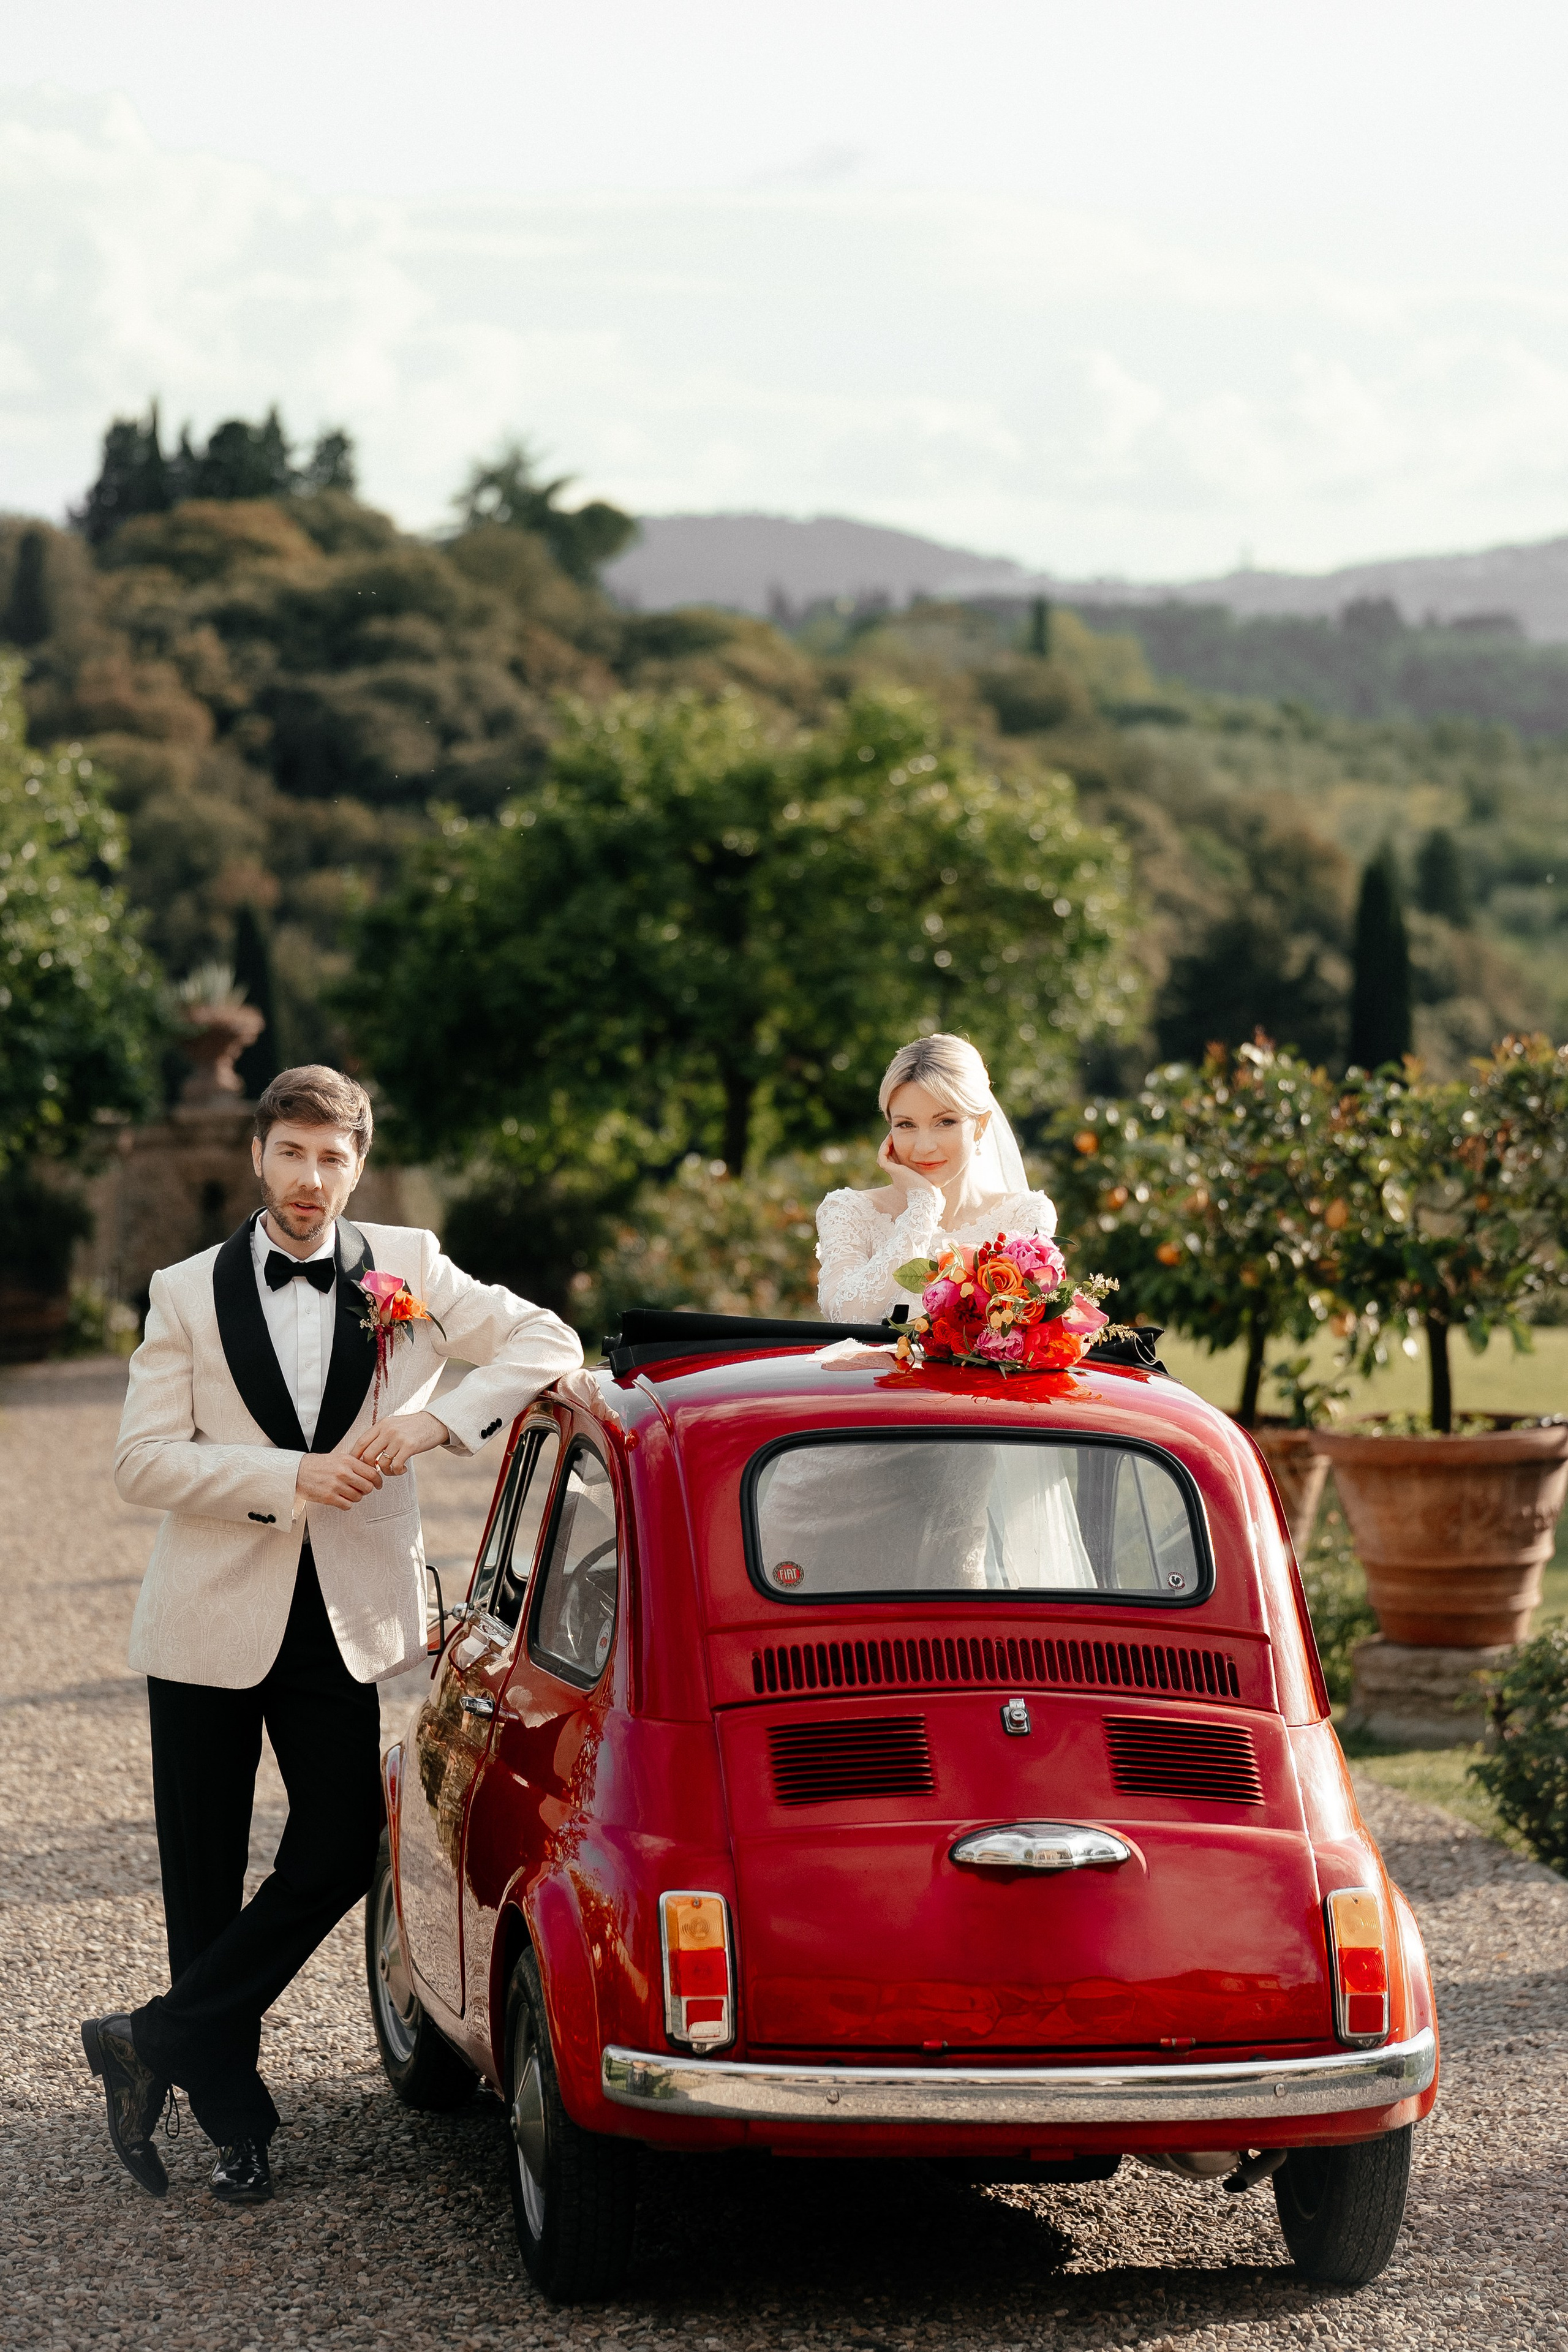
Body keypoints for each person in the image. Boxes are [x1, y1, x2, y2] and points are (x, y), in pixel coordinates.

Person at [82, 1065, 582, 2206]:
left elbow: (546, 1340)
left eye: (335, 1159)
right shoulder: (184, 1290)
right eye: (294, 1155)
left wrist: (432, 1421)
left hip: (339, 1621)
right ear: (260, 1154)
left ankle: (152, 2038)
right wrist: (293, 1477)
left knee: (342, 1838)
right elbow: (138, 1464)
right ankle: (235, 2125)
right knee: (200, 1878)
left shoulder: (410, 1264)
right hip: (207, 1615)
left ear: (360, 1163)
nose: (313, 1181)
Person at [815, 1031, 1057, 1322]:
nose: (924, 1146)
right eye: (906, 1125)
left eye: (945, 1122)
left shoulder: (1024, 1215)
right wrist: (922, 1208)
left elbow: (1024, 1328)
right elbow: (846, 1316)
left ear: (980, 1126)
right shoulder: (848, 1211)